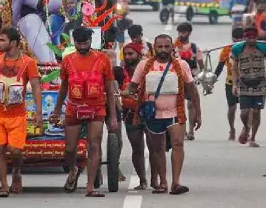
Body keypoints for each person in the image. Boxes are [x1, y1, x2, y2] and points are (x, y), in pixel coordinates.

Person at [128, 34, 201, 195]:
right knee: (158, 148)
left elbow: (192, 91)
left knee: (178, 144)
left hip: (176, 112)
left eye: (166, 46)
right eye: (159, 47)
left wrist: (198, 113)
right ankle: (163, 182)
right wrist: (135, 96)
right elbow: (132, 87)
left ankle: (176, 183)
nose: (163, 50)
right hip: (153, 114)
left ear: (171, 48)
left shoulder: (182, 65)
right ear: (154, 48)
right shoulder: (143, 65)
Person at [51, 27, 118, 197]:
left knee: (94, 145)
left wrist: (113, 117)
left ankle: (90, 187)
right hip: (74, 108)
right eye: (79, 43)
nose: (82, 46)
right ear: (74, 42)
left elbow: (110, 91)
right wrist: (57, 111)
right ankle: (73, 169)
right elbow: (63, 88)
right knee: (70, 148)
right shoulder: (67, 60)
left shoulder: (103, 59)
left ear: (91, 41)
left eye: (85, 43)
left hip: (97, 109)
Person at [0, 27, 41, 197]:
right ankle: (4, 186)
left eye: (2, 40)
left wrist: (38, 112)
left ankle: (16, 170)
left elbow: (36, 87)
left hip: (17, 114)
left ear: (13, 43)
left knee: (16, 151)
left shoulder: (29, 63)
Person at [232, 26, 266, 147]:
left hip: (260, 84)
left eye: (254, 37)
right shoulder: (237, 50)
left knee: (257, 112)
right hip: (244, 84)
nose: (252, 40)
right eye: (249, 38)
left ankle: (253, 138)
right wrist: (234, 84)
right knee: (244, 113)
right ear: (245, 38)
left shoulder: (263, 48)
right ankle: (246, 128)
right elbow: (235, 68)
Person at [117, 42, 147, 190]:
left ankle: (156, 179)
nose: (128, 57)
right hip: (129, 113)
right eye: (126, 54)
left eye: (131, 54)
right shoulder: (119, 73)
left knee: (156, 148)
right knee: (137, 147)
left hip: (148, 112)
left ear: (139, 55)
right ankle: (143, 180)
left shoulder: (148, 70)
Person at [174, 23, 203, 140]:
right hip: (177, 79)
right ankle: (183, 131)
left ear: (189, 33)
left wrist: (200, 76)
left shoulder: (195, 48)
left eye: (183, 32)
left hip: (191, 78)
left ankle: (191, 131)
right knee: (178, 105)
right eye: (179, 32)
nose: (181, 35)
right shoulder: (173, 48)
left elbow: (201, 65)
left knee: (191, 104)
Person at [214, 28, 243, 141]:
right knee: (232, 108)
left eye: (240, 39)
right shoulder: (227, 50)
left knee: (247, 109)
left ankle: (246, 129)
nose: (238, 41)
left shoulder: (248, 48)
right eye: (236, 39)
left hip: (245, 83)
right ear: (232, 39)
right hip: (230, 83)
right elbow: (220, 66)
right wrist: (213, 80)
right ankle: (232, 129)